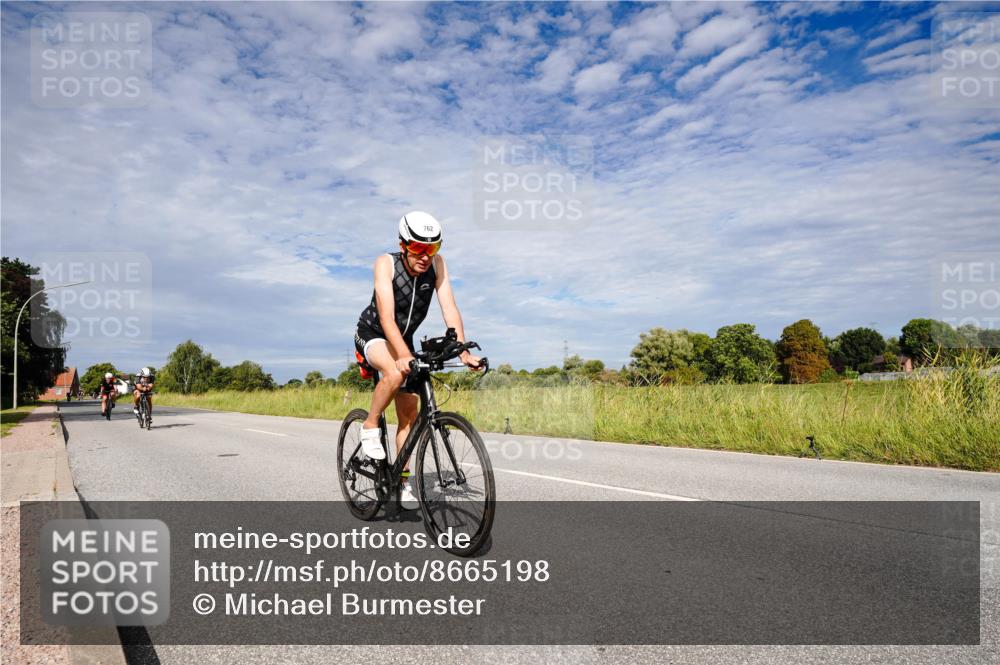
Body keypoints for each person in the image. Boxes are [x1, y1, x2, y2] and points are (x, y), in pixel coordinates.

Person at [353, 211, 483, 509]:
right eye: (418, 249)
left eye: (433, 248)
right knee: (395, 373)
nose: (426, 256)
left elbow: (449, 308)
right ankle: (370, 424)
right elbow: (386, 318)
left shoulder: (437, 265)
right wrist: (403, 357)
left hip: (405, 338)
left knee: (409, 416)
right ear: (403, 245)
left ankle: (402, 480)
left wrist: (463, 352)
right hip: (373, 332)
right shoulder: (385, 263)